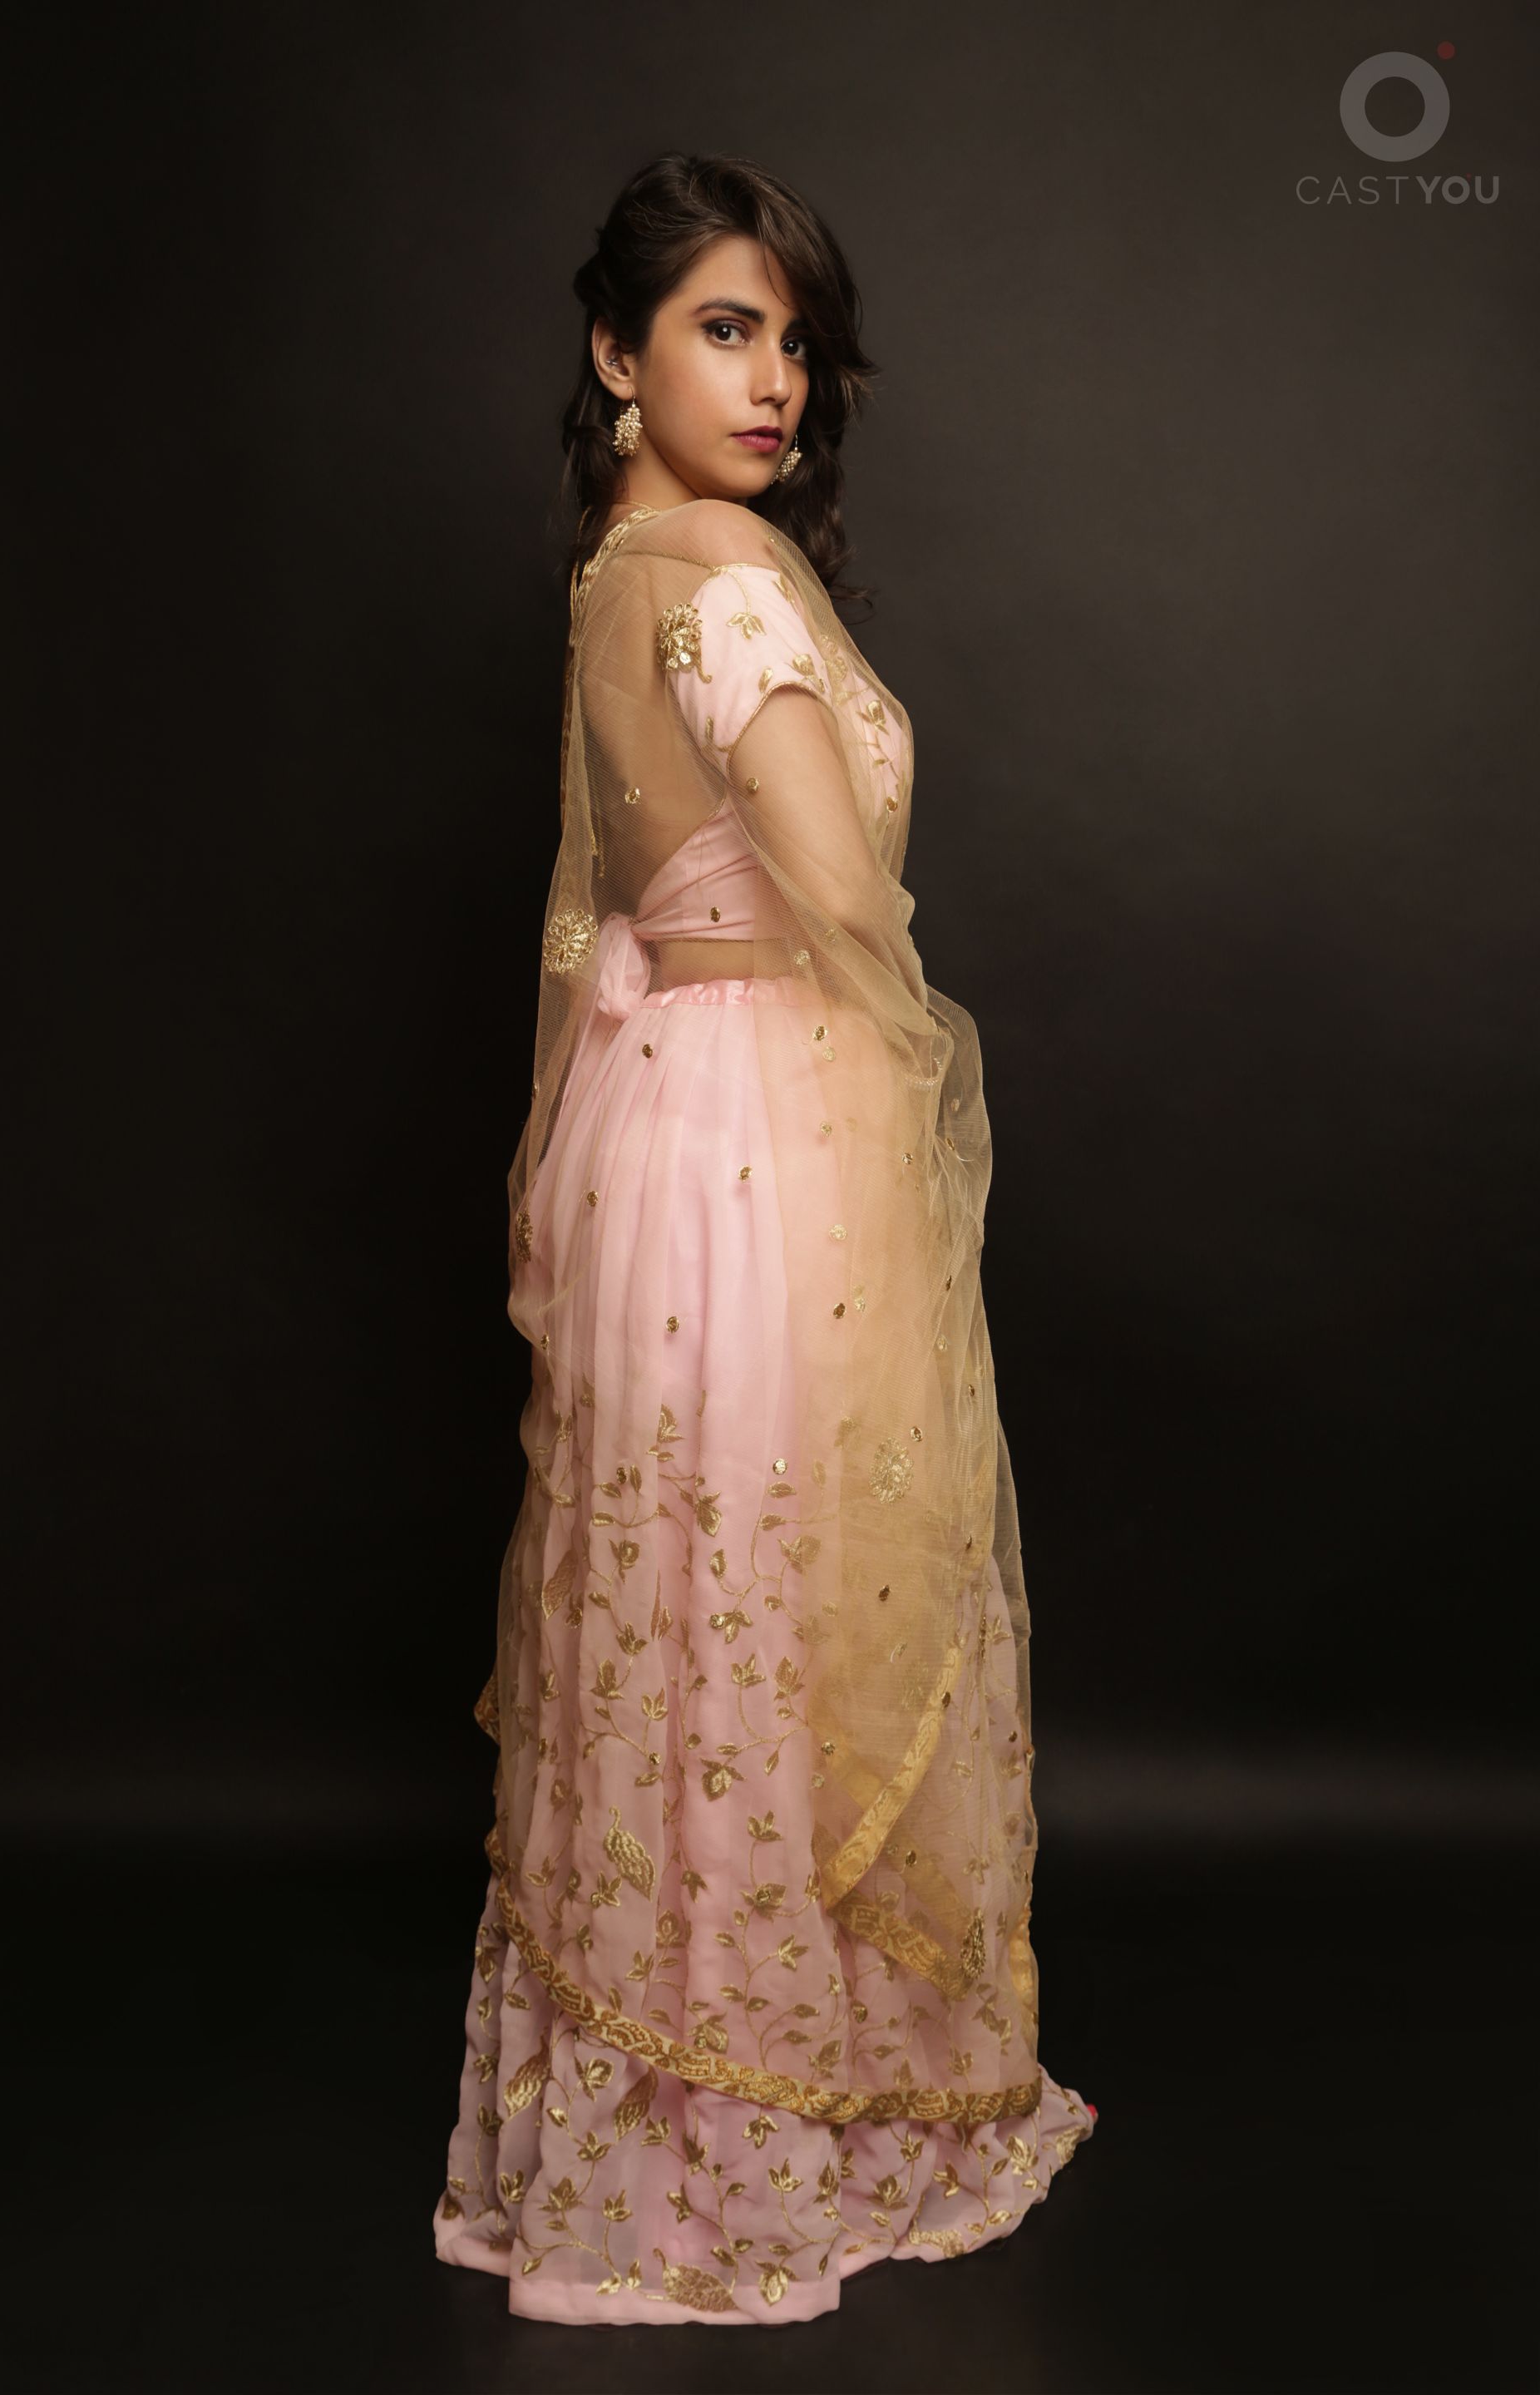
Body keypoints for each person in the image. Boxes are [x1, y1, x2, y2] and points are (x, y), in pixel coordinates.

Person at [432, 151, 1097, 2327]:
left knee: (693, 1601)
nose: (777, 377)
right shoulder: (718, 569)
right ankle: (745, 2155)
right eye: (727, 327)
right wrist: (910, 1057)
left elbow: (619, 908)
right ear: (616, 353)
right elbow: (834, 881)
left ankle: (652, 2135)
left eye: (796, 338)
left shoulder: (612, 572)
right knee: (772, 1604)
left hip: (661, 1120)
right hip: (756, 1147)